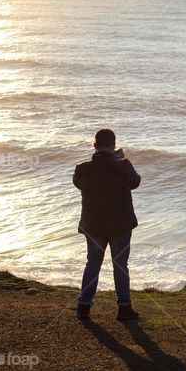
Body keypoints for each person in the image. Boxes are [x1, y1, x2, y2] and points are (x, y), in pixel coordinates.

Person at [73, 129, 141, 321]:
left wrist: (108, 160)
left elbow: (78, 183)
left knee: (93, 264)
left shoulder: (82, 169)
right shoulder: (124, 165)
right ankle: (124, 307)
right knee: (120, 266)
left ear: (95, 146)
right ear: (113, 145)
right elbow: (135, 182)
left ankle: (84, 306)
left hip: (92, 225)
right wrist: (119, 160)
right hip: (120, 225)